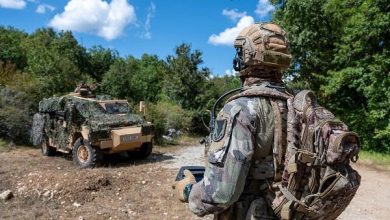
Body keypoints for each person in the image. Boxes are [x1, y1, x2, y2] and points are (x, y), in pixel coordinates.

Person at [174, 22, 293, 219]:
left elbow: (220, 194)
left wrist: (188, 191)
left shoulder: (239, 110)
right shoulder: (299, 106)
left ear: (247, 56)